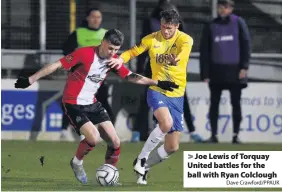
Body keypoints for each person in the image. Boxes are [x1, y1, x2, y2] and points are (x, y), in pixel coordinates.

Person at [14, 29, 178, 184]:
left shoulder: (112, 61)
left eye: (116, 50)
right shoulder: (83, 53)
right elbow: (57, 64)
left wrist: (158, 83)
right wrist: (31, 79)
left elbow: (131, 77)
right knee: (93, 138)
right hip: (73, 103)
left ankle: (110, 174)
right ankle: (77, 163)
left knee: (115, 142)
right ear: (103, 42)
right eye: (110, 48)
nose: (112, 53)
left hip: (92, 103)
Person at [108, 9, 194, 185]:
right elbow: (132, 52)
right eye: (163, 26)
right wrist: (120, 59)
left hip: (177, 94)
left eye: (169, 28)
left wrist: (175, 60)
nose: (166, 31)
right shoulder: (151, 39)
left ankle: (144, 166)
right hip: (157, 89)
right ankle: (142, 158)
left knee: (172, 147)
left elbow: (182, 55)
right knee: (166, 123)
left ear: (177, 26)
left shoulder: (186, 39)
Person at [132, 0, 203, 143]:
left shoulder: (173, 22)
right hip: (157, 67)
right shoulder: (154, 21)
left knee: (151, 100)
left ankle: (137, 133)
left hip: (169, 68)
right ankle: (138, 132)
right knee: (158, 99)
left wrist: (140, 67)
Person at [200, 0, 251, 143]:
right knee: (214, 104)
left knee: (236, 103)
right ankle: (214, 135)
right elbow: (205, 51)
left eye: (225, 7)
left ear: (231, 8)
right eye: (220, 7)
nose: (222, 9)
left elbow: (246, 45)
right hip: (216, 71)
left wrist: (244, 67)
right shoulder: (211, 25)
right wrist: (205, 73)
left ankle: (236, 135)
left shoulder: (239, 22)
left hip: (235, 71)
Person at [61, 8, 113, 140]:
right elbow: (67, 51)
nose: (96, 20)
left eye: (99, 17)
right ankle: (64, 129)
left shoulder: (106, 34)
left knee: (103, 103)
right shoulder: (79, 33)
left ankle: (108, 132)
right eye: (93, 17)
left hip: (98, 77)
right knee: (73, 103)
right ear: (88, 18)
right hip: (80, 77)